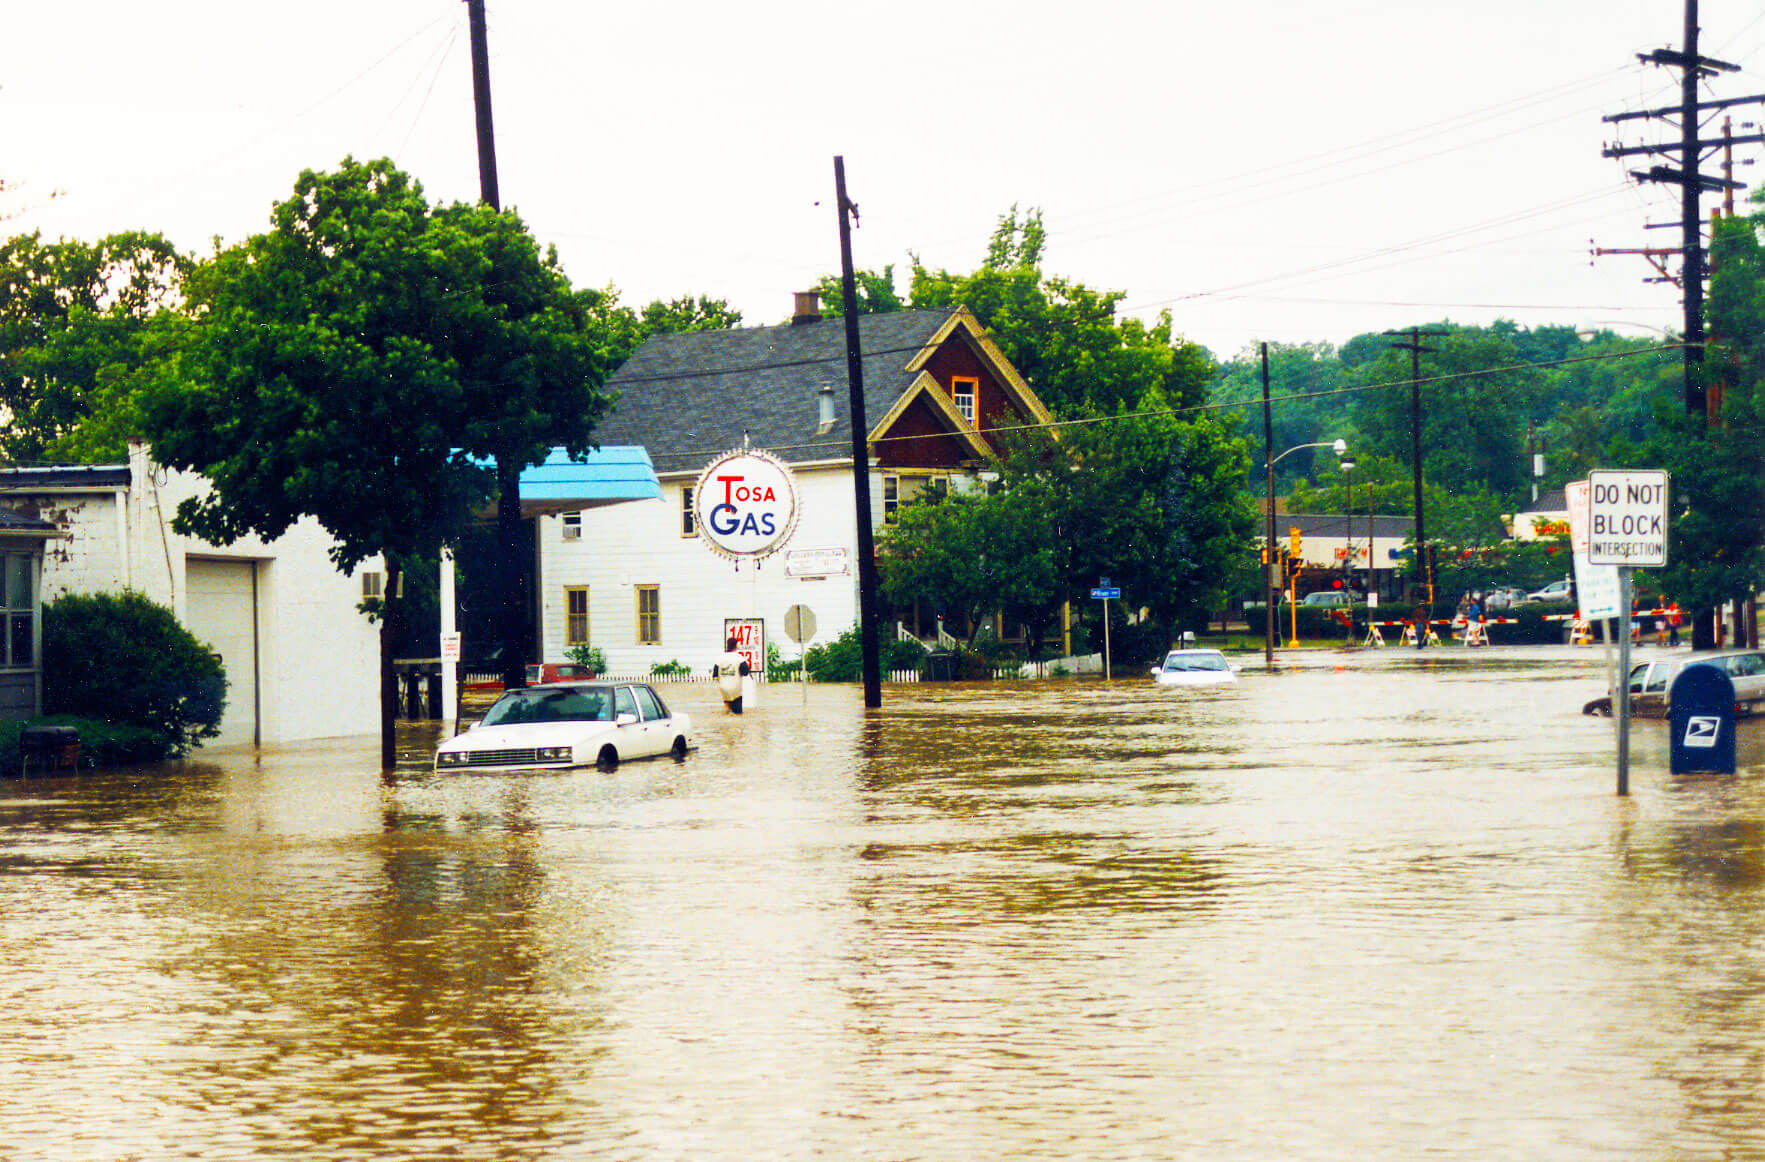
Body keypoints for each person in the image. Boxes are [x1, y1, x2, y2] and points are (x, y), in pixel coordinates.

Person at [712, 636, 751, 714]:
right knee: (738, 713)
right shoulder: (739, 658)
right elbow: (745, 673)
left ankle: (727, 707)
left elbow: (715, 675)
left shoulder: (719, 658)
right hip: (736, 690)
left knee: (727, 710)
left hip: (724, 689)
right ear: (736, 646)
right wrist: (749, 667)